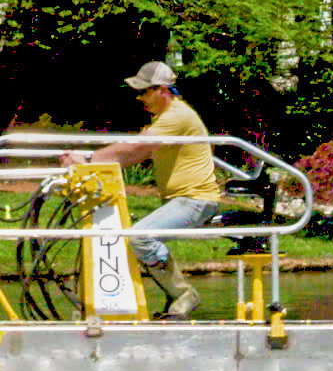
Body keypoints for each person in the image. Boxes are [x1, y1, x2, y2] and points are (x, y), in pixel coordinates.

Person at [58, 61, 220, 318]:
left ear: (162, 90)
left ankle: (184, 295)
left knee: (140, 237)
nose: (141, 97)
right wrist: (89, 159)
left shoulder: (177, 116)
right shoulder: (165, 119)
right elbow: (135, 153)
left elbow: (135, 148)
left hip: (195, 199)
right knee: (136, 240)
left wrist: (89, 160)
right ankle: (170, 304)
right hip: (183, 200)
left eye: (145, 91)